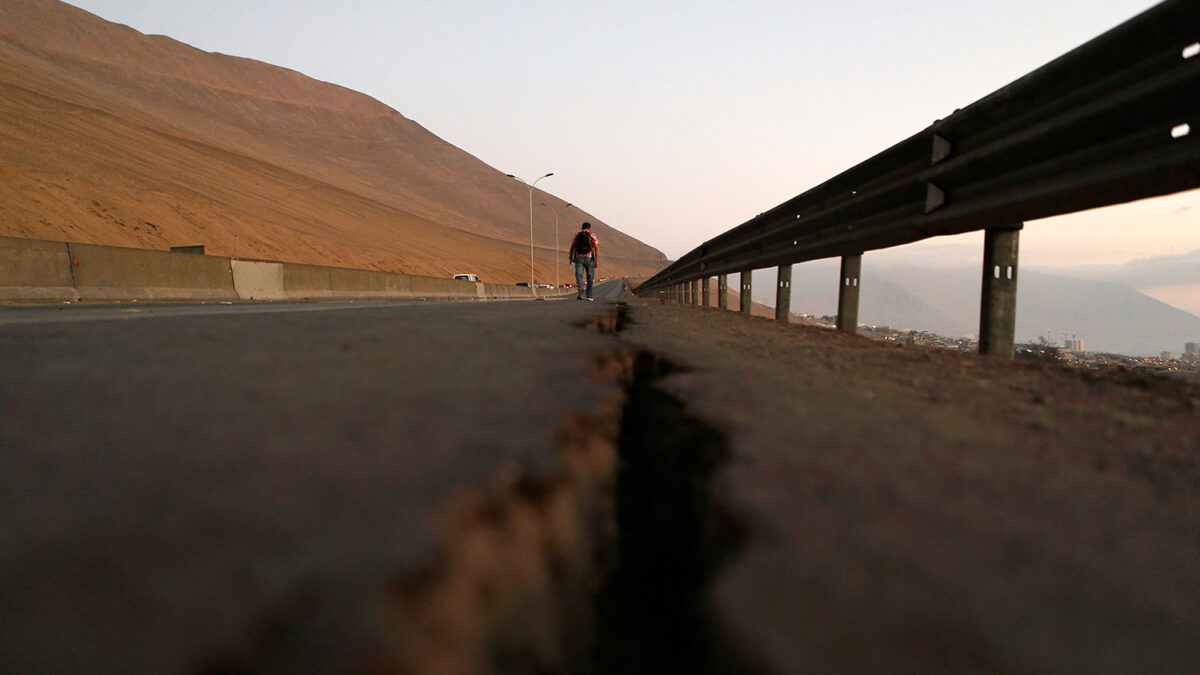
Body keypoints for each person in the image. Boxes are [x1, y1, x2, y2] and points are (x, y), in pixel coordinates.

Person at [568, 221, 599, 300]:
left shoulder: (577, 235)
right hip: (589, 259)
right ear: (589, 228)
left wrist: (571, 258)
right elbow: (596, 248)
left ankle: (581, 287)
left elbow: (572, 247)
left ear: (582, 228)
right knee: (590, 277)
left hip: (579, 258)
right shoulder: (592, 235)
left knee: (579, 275)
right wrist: (596, 261)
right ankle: (589, 296)